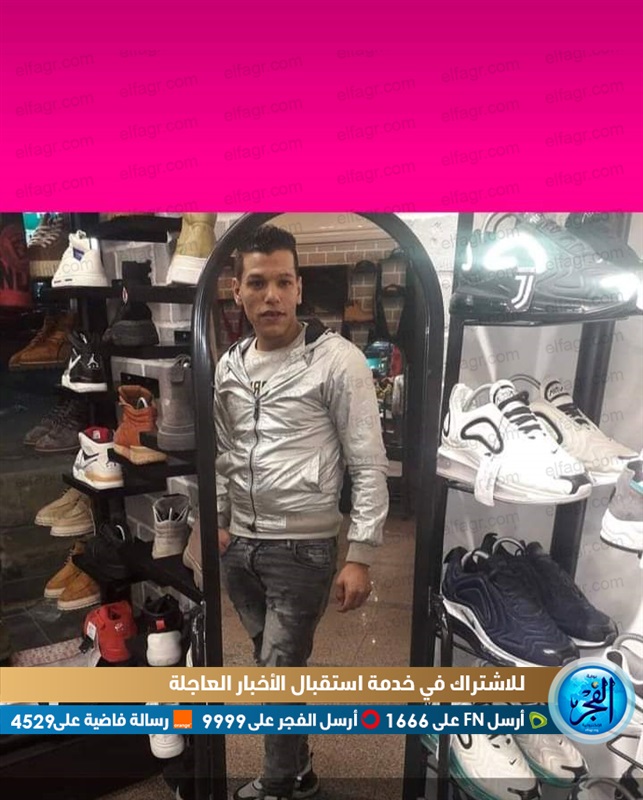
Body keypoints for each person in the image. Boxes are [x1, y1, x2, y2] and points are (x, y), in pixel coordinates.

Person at [213, 224, 389, 800]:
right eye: (257, 283)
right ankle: (301, 767)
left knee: (277, 674)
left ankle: (278, 786)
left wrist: (360, 553)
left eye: (283, 282)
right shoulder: (229, 366)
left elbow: (368, 460)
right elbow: (224, 451)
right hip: (241, 545)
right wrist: (220, 521)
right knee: (274, 667)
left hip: (303, 547)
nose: (271, 296)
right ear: (237, 290)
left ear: (299, 287)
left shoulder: (337, 361)